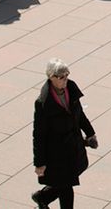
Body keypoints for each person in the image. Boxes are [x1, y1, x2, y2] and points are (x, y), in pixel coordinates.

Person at [31, 59, 97, 209]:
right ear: (51, 77)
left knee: (65, 182)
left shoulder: (71, 90)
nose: (65, 79)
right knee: (67, 185)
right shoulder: (42, 102)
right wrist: (39, 162)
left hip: (73, 146)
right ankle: (42, 196)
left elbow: (80, 115)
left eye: (66, 75)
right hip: (56, 152)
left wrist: (90, 133)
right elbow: (38, 134)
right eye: (61, 77)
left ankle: (43, 196)